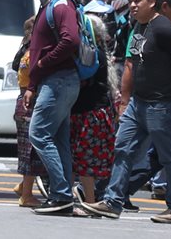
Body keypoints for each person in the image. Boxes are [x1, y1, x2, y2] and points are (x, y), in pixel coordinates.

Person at [84, 0, 171, 223]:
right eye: (131, 1)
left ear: (152, 3)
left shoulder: (163, 27)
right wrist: (125, 100)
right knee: (123, 149)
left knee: (170, 156)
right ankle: (112, 202)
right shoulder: (139, 26)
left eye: (137, 1)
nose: (132, 5)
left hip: (162, 105)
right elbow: (132, 62)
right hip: (138, 104)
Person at [24, 0, 84, 215]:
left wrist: (43, 63)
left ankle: (60, 193)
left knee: (38, 134)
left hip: (59, 80)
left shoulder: (60, 5)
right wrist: (33, 83)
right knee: (58, 140)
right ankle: (62, 195)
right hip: (55, 81)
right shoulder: (49, 5)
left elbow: (70, 39)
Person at [70, 12, 117, 204]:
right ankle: (83, 196)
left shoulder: (90, 53)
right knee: (85, 160)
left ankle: (89, 200)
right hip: (96, 112)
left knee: (85, 161)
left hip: (89, 114)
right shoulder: (97, 51)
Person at [12, 16, 46, 207]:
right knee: (31, 151)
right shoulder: (33, 52)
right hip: (29, 102)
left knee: (27, 148)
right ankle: (26, 195)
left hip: (23, 101)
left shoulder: (25, 49)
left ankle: (23, 186)